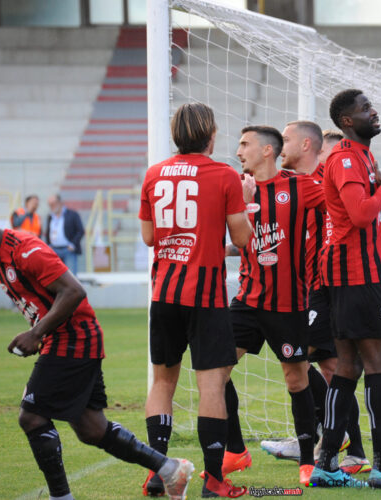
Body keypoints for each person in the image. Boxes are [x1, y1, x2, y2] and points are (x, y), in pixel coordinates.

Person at [0, 225, 195, 500]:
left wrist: (36, 332)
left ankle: (61, 497)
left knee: (31, 416)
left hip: (74, 337)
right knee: (91, 428)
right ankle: (170, 469)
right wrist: (38, 333)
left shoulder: (24, 249)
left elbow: (74, 291)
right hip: (64, 338)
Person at [310, 88, 381, 489]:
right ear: (347, 121)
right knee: (380, 367)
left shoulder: (361, 156)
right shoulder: (345, 159)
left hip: (353, 278)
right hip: (358, 277)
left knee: (348, 368)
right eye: (365, 108)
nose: (373, 112)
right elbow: (363, 214)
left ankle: (326, 463)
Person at [138, 102, 253, 498]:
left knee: (163, 382)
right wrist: (247, 198)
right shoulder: (224, 175)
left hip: (164, 292)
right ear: (211, 134)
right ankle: (215, 479)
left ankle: (159, 470)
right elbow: (241, 239)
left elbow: (150, 238)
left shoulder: (154, 175)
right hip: (205, 296)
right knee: (211, 387)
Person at [260, 123, 367, 474]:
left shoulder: (321, 184)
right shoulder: (299, 185)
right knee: (313, 363)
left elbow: (354, 217)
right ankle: (331, 438)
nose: (281, 146)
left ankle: (347, 445)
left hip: (326, 285)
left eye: (286, 140)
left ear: (306, 145)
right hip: (311, 287)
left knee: (328, 365)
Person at [223, 124, 326, 486]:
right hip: (247, 300)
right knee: (215, 371)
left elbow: (342, 204)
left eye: (244, 144)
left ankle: (308, 458)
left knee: (296, 379)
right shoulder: (235, 187)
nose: (238, 151)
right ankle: (235, 452)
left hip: (288, 303)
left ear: (267, 151)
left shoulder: (301, 187)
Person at [45, 195, 84, 275]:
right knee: (56, 277)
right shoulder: (50, 216)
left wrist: (73, 244)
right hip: (54, 250)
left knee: (71, 277)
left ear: (60, 203)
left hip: (68, 250)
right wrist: (49, 245)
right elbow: (48, 232)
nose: (52, 206)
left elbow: (80, 231)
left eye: (53, 203)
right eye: (50, 204)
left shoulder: (72, 214)